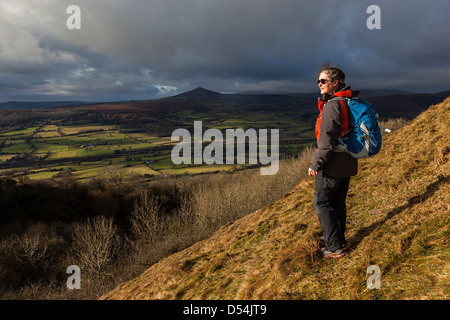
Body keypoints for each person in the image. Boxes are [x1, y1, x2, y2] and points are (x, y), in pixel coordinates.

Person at [309, 63, 359, 259]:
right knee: (337, 203)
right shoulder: (346, 102)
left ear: (336, 82)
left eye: (323, 81)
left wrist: (316, 163)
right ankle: (339, 240)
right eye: (318, 81)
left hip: (332, 165)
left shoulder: (332, 105)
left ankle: (334, 247)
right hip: (347, 162)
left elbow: (327, 139)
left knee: (322, 203)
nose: (319, 84)